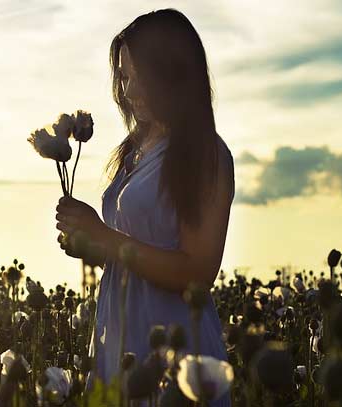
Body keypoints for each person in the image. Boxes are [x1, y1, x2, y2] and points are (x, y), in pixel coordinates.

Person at [55, 8, 235, 406]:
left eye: (140, 77)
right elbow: (135, 254)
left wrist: (103, 235)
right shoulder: (132, 152)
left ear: (173, 75)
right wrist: (94, 248)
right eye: (123, 76)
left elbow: (197, 272)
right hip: (120, 338)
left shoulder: (205, 154)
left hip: (175, 347)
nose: (129, 90)